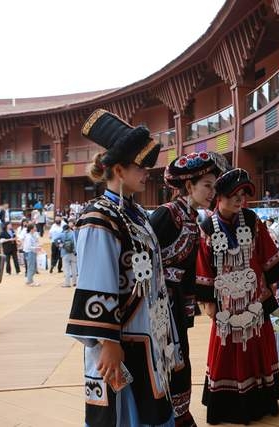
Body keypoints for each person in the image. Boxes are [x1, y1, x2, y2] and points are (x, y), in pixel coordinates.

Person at [66, 109, 177, 426]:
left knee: (151, 409)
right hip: (122, 339)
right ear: (118, 169)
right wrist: (108, 344)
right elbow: (95, 283)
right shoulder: (98, 217)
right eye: (141, 167)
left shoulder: (137, 213)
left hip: (148, 334)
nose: (147, 174)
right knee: (120, 415)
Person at [195, 168, 279, 424]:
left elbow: (266, 253)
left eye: (243, 195)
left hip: (255, 299)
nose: (240, 200)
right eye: (234, 195)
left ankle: (262, 400)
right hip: (225, 302)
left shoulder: (251, 220)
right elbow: (204, 266)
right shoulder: (207, 227)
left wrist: (270, 289)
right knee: (226, 351)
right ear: (220, 197)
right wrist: (208, 302)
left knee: (260, 347)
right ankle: (227, 406)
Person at [150, 151, 225, 427]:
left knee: (179, 361)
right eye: (207, 185)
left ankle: (179, 414)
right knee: (168, 361)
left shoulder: (193, 217)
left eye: (214, 186)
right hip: (159, 306)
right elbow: (140, 259)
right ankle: (171, 417)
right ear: (189, 186)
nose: (212, 192)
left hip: (176, 306)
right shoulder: (167, 215)